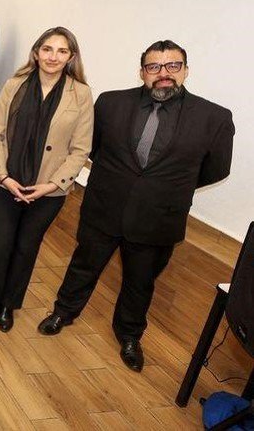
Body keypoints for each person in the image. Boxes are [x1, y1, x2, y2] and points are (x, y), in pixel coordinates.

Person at [37, 40, 234, 372]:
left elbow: (217, 169)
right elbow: (93, 149)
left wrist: (167, 188)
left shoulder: (213, 118)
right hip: (104, 207)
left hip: (158, 218)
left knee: (140, 281)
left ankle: (129, 335)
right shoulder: (111, 103)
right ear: (142, 72)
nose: (163, 74)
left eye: (173, 66)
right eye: (154, 67)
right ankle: (63, 312)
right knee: (83, 264)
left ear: (186, 70)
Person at [0, 27, 94, 335]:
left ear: (71, 57)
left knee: (26, 248)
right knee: (0, 246)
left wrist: (51, 185)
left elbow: (81, 150)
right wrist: (4, 176)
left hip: (48, 192)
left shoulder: (80, 94)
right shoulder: (14, 85)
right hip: (5, 184)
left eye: (61, 51)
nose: (53, 56)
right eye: (47, 49)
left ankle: (7, 307)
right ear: (36, 52)